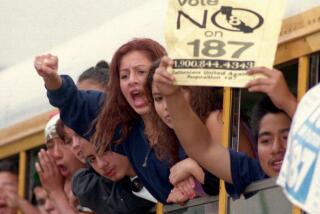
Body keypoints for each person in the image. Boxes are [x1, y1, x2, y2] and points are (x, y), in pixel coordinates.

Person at [34, 38, 194, 204]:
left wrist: (194, 173)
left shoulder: (192, 115)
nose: (132, 80)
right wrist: (51, 77)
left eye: (140, 71)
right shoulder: (126, 129)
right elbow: (75, 103)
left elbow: (217, 161)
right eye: (124, 76)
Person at [152, 56, 297, 198]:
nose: (276, 148)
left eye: (287, 137)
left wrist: (288, 102)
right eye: (265, 141)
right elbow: (203, 148)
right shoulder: (255, 174)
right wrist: (172, 95)